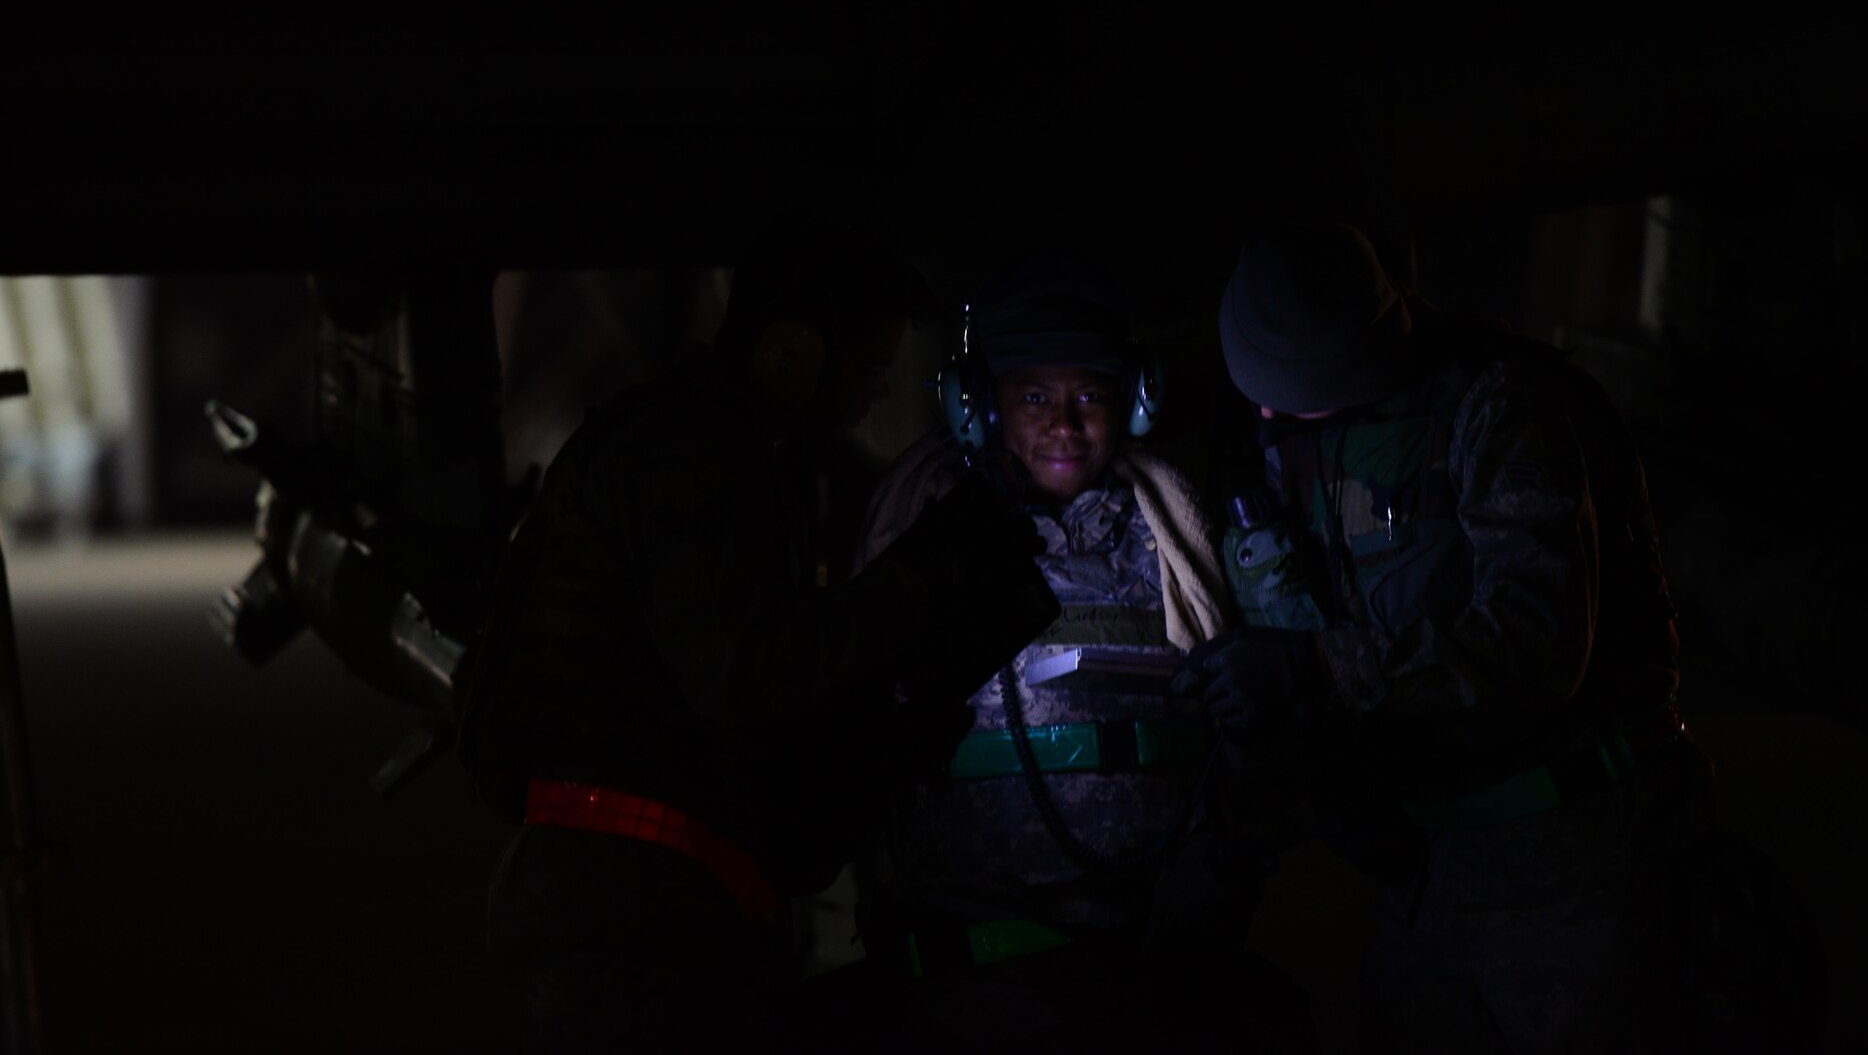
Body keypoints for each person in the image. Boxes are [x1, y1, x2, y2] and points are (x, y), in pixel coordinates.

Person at [455, 231, 1061, 1054]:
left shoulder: (702, 448)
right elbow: (746, 672)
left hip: (641, 909)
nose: (880, 394)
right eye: (869, 367)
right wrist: (922, 573)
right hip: (627, 920)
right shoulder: (689, 452)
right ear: (791, 354)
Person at [1176, 225, 1717, 1055]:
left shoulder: (1500, 404)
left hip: (1580, 872)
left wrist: (1312, 671)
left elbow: (1536, 641)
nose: (1272, 412)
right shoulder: (1293, 441)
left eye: (1298, 393)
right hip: (1428, 876)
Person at [833, 247, 1320, 1054]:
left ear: (1132, 402)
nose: (1065, 422)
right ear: (978, 405)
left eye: (1090, 394)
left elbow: (1268, 737)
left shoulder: (1177, 531)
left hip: (1150, 981)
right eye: (1033, 396)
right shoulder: (919, 531)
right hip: (964, 987)